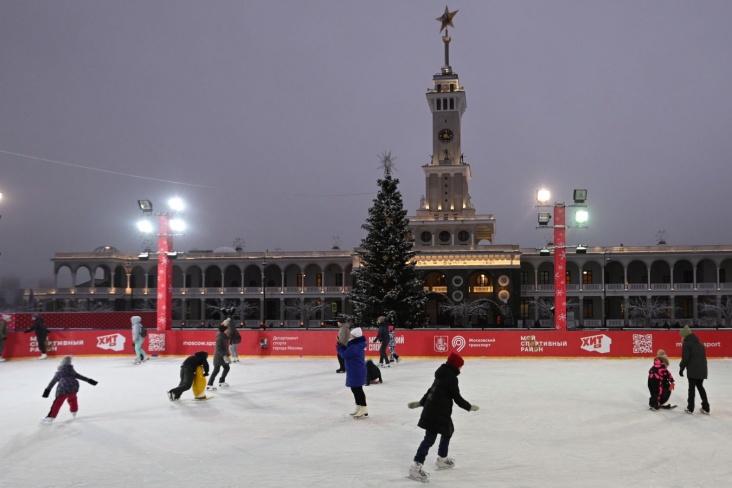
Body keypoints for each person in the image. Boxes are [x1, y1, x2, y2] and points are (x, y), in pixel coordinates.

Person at [406, 352, 479, 482]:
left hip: (437, 411)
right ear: (455, 366)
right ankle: (416, 467)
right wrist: (469, 406)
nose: (461, 369)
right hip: (437, 412)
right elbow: (456, 397)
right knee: (429, 439)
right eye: (460, 366)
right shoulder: (451, 377)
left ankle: (442, 459)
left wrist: (420, 403)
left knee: (448, 431)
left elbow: (431, 390)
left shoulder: (442, 373)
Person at [41, 355, 98, 424]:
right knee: (72, 399)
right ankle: (74, 411)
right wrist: (91, 381)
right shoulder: (72, 371)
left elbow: (52, 383)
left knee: (57, 403)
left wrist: (46, 392)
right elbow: (82, 377)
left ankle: (50, 418)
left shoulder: (59, 373)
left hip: (63, 389)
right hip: (74, 387)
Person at [336, 327, 368, 418]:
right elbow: (348, 352)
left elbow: (345, 355)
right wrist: (342, 346)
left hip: (356, 370)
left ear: (355, 335)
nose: (349, 335)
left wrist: (338, 347)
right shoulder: (355, 344)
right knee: (355, 389)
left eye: (351, 334)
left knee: (357, 390)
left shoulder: (355, 346)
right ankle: (359, 407)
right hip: (355, 369)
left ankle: (363, 408)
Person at [679, 325, 710, 415]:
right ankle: (706, 407)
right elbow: (703, 358)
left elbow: (685, 358)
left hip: (692, 370)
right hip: (702, 369)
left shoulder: (686, 343)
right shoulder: (700, 344)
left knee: (691, 388)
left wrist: (681, 368)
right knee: (700, 387)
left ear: (685, 336)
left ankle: (690, 408)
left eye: (682, 336)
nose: (681, 338)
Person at [207, 325, 231, 390]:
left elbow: (224, 347)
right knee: (216, 370)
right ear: (223, 330)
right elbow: (218, 348)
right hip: (219, 356)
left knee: (227, 368)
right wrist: (224, 356)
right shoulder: (220, 337)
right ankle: (209, 384)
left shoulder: (225, 337)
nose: (228, 330)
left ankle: (221, 381)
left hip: (224, 356)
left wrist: (227, 354)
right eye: (226, 330)